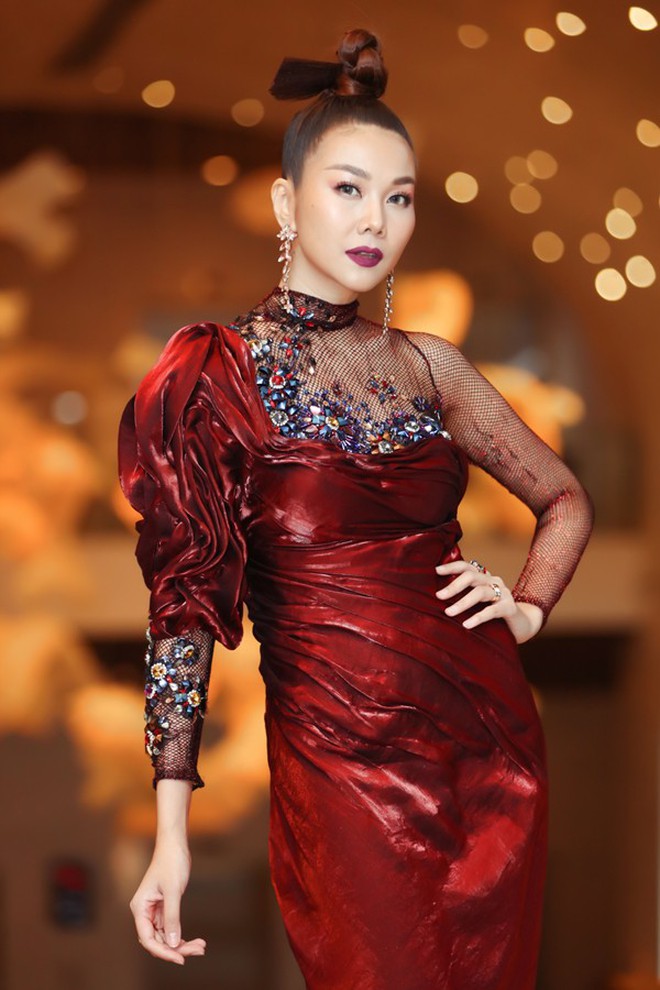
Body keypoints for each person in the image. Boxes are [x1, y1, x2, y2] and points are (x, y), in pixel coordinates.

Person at [118, 28, 594, 990]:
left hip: (484, 740)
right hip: (335, 758)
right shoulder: (214, 375)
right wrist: (170, 833)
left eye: (400, 196)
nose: (377, 217)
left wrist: (527, 607)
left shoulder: (431, 367)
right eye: (348, 187)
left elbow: (565, 500)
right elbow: (183, 614)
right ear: (285, 202)